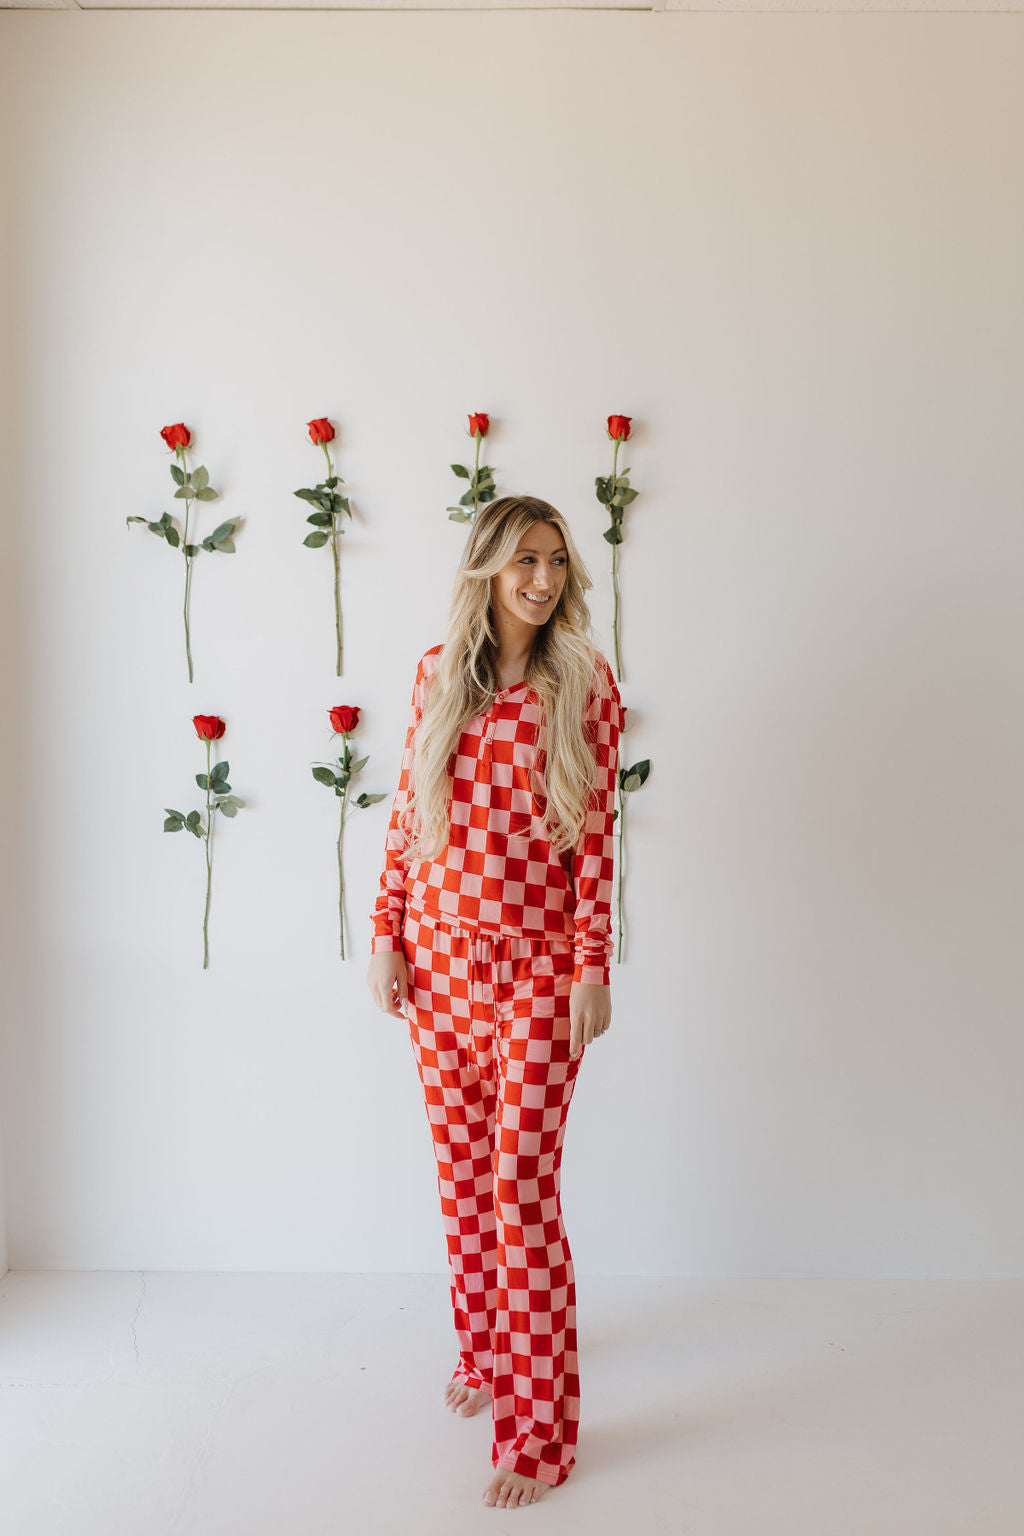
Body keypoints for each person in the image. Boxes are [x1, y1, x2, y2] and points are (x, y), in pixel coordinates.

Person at [365, 495, 623, 1510]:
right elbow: (406, 814)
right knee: (467, 1184)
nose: (544, 578)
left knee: (519, 1190)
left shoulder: (584, 687)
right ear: (485, 568)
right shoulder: (438, 673)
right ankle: (483, 1354)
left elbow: (596, 837)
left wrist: (590, 966)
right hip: (439, 969)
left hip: (539, 970)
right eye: (525, 559)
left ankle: (542, 1434)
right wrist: (385, 933)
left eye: (557, 560)